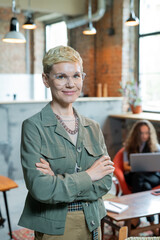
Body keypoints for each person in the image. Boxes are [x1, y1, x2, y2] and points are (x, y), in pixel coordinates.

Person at [18, 45, 114, 240]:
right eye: (61, 76)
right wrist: (89, 175)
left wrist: (58, 181)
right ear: (46, 80)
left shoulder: (93, 127)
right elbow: (41, 189)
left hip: (93, 220)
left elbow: (105, 183)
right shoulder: (33, 127)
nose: (71, 84)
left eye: (76, 76)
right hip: (56, 228)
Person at [123, 119, 160, 230]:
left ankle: (136, 217)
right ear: (136, 134)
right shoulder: (128, 146)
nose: (144, 136)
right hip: (135, 176)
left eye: (147, 133)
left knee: (139, 176)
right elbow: (125, 166)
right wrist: (136, 168)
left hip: (152, 176)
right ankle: (152, 224)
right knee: (145, 185)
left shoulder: (156, 147)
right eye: (142, 133)